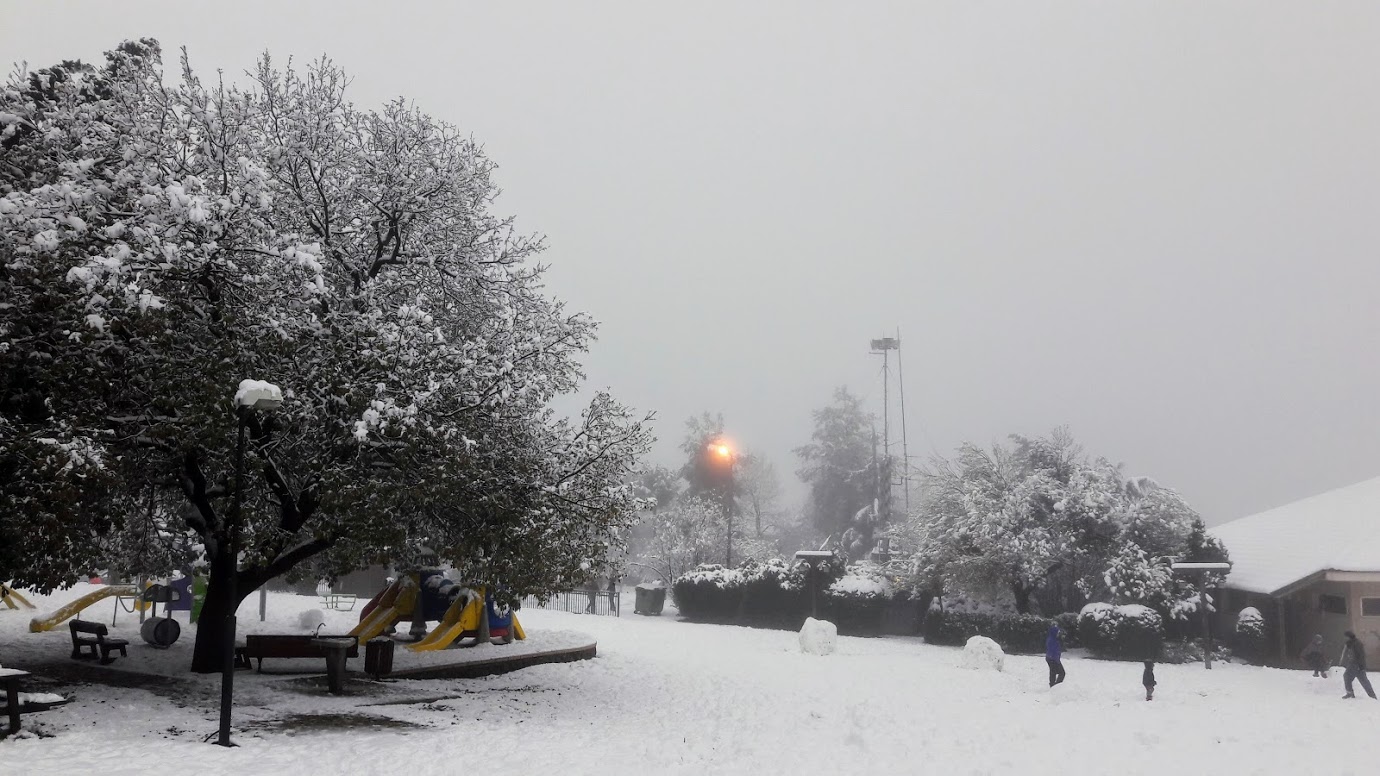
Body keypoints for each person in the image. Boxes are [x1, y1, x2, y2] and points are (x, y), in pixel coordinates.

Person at [1341, 630, 1377, 699]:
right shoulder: (1350, 643)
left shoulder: (1357, 643)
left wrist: (1361, 665)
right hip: (1353, 664)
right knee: (1353, 678)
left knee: (1360, 679)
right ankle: (1371, 696)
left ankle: (1372, 696)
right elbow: (1349, 654)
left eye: (1346, 637)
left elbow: (1361, 655)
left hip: (1356, 664)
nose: (1345, 638)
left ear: (1349, 637)